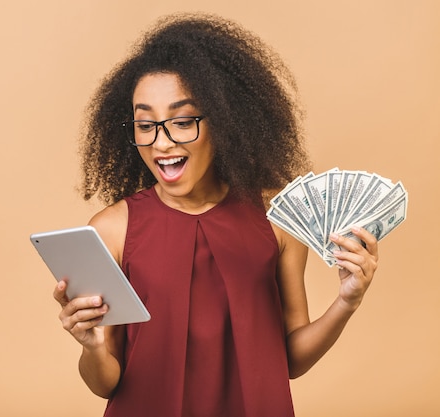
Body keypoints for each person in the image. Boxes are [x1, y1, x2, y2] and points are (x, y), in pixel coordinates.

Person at [52, 12, 379, 417]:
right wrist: (92, 345)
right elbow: (107, 383)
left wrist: (347, 301)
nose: (162, 141)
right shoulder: (111, 230)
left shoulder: (278, 218)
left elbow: (290, 359)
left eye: (183, 121)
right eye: (145, 124)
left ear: (224, 122)